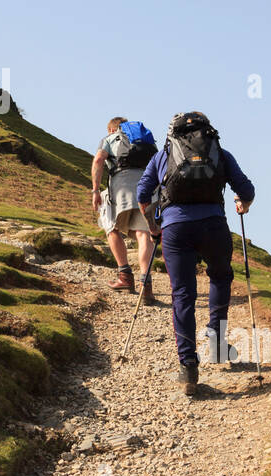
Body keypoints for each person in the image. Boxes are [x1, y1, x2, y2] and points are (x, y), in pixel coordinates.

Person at [137, 111, 255, 396]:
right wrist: (244, 205)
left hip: (176, 228)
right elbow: (246, 189)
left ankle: (188, 366)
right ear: (208, 131)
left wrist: (153, 226)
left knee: (183, 293)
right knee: (220, 277)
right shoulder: (220, 153)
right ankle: (216, 342)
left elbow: (143, 193)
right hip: (213, 224)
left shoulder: (163, 155)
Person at [92, 117, 158, 304]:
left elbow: (98, 160)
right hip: (148, 187)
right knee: (143, 234)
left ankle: (125, 276)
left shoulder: (111, 139)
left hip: (121, 186)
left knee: (111, 228)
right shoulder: (146, 141)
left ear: (112, 129)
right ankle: (146, 282)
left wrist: (96, 190)